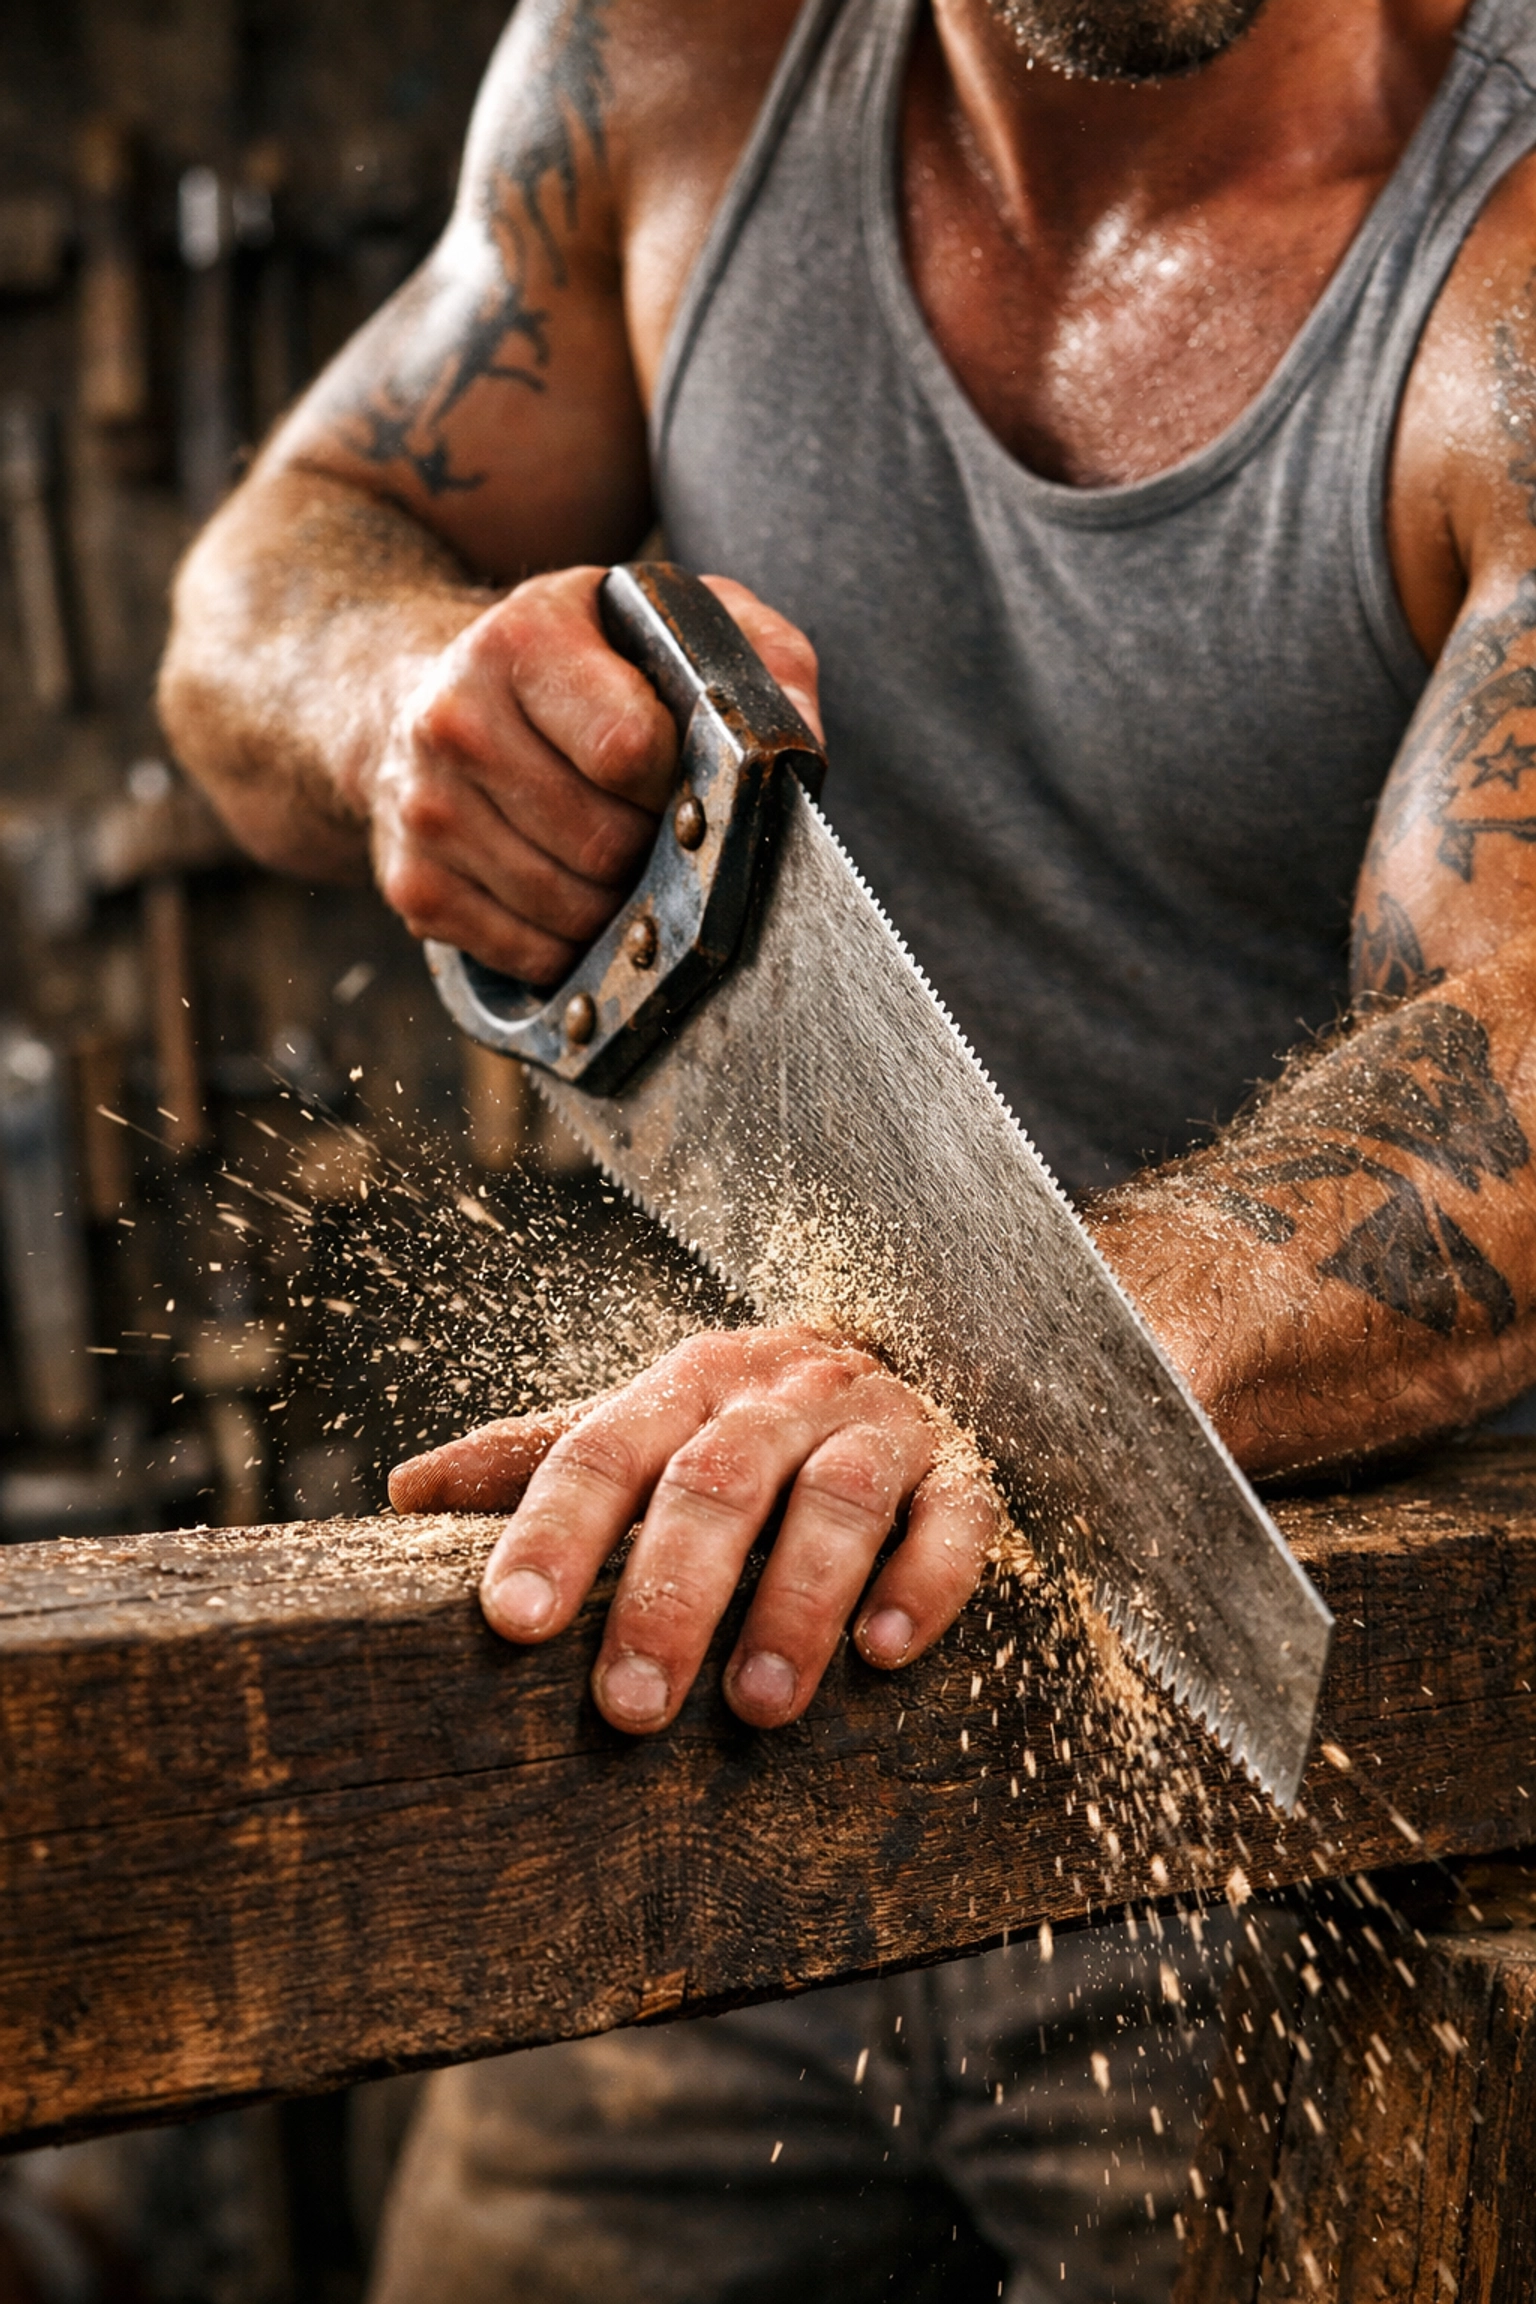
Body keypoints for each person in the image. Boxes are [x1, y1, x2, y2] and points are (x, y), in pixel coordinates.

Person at [159, 0, 1536, 2294]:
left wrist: (1007, 1361)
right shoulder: (666, 68)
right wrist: (395, 696)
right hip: (743, 1663)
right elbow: (261, 586)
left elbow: (1522, 1034)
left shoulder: (1503, 258)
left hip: (1312, 1787)